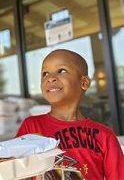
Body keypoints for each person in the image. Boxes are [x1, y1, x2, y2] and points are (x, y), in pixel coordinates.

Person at [16, 49, 124, 180]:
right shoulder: (32, 127)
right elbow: (9, 165)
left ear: (84, 83)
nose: (50, 78)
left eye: (61, 70)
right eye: (45, 73)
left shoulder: (105, 135)